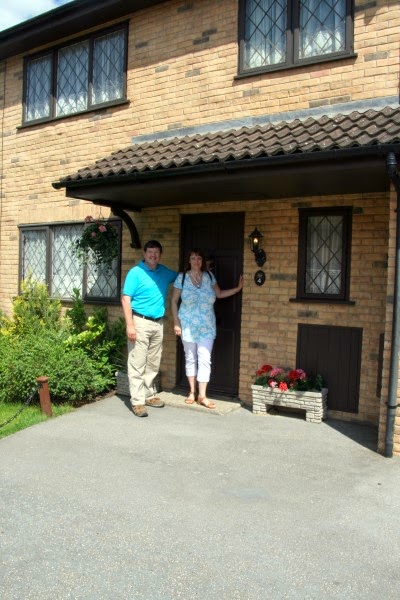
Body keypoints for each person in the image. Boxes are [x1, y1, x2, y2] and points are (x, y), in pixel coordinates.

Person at [171, 248, 243, 409]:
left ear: (202, 261)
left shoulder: (209, 276)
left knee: (205, 359)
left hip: (207, 326)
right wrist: (176, 322)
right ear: (189, 261)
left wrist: (237, 289)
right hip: (187, 325)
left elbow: (219, 294)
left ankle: (202, 395)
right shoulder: (182, 278)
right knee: (190, 358)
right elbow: (174, 301)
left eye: (199, 258)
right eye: (193, 258)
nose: (196, 261)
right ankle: (192, 391)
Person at [121, 240, 177, 418]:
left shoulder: (164, 272)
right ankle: (137, 401)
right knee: (137, 362)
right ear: (144, 254)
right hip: (140, 322)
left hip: (158, 323)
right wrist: (130, 325)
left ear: (160, 255)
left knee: (153, 361)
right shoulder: (135, 273)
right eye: (150, 252)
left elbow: (181, 278)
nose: (153, 255)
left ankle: (148, 395)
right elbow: (125, 299)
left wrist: (200, 270)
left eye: (156, 252)